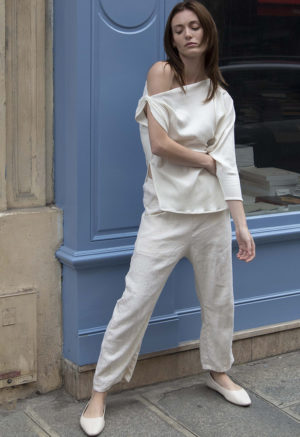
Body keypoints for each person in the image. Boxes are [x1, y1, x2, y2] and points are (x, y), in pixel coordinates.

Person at [80, 1, 256, 435]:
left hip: (212, 214)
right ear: (171, 38)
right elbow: (158, 145)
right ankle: (99, 391)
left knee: (219, 300)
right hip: (164, 212)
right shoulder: (160, 74)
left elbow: (228, 161)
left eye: (195, 26)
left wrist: (241, 223)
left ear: (208, 33)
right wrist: (207, 160)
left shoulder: (223, 98)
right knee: (135, 299)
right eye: (179, 29)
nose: (187, 35)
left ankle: (218, 371)